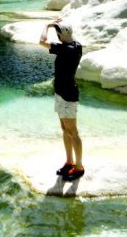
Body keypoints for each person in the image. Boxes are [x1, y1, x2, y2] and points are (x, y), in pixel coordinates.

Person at [39, 18, 84, 181]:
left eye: (57, 33)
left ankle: (79, 167)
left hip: (67, 95)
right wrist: (58, 27)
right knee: (65, 129)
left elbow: (42, 41)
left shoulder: (65, 49)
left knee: (73, 132)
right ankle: (69, 162)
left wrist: (47, 25)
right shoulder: (76, 45)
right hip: (62, 92)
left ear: (59, 35)